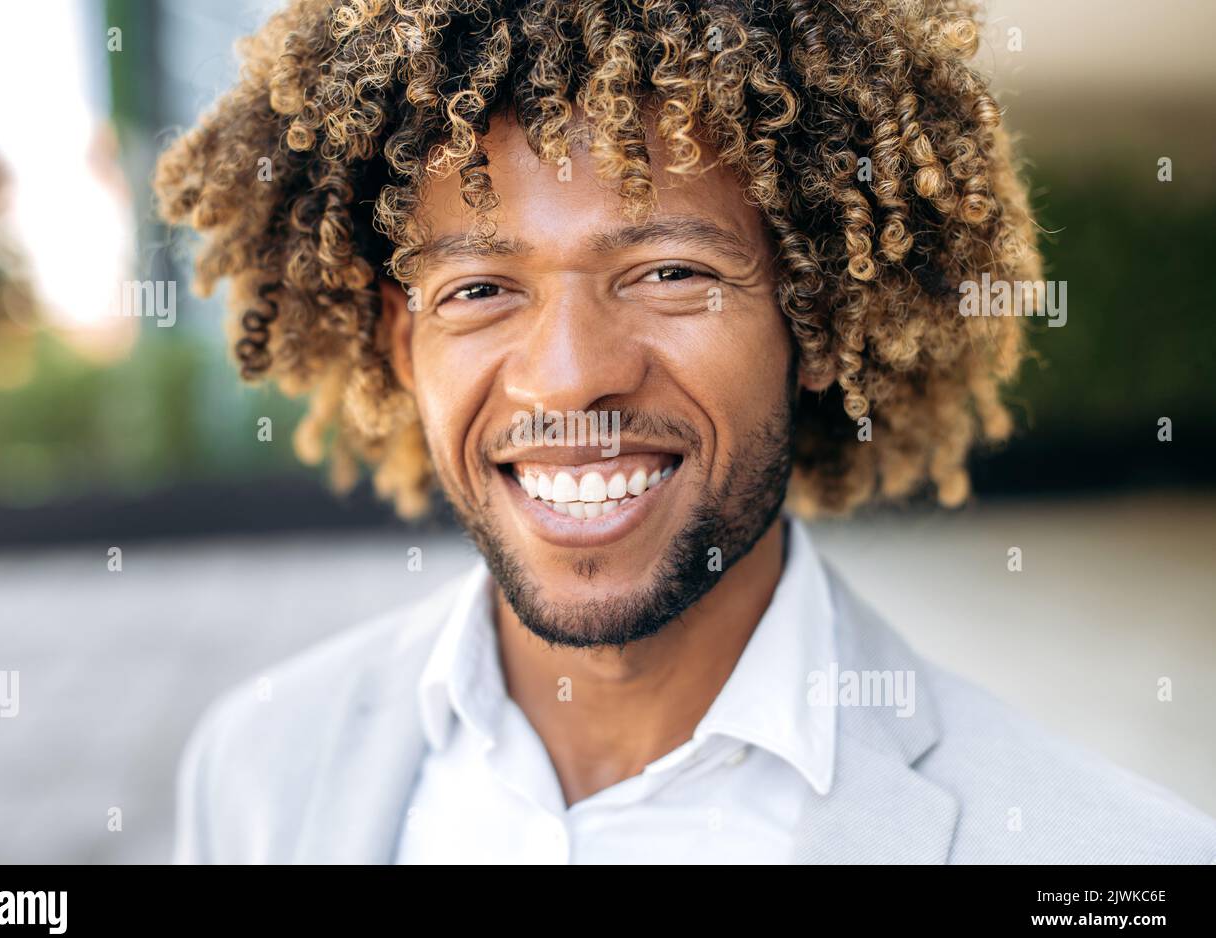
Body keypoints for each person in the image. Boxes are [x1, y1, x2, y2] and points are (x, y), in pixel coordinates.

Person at [156, 0, 1215, 863]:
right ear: (401, 345)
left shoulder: (1108, 860)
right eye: (480, 287)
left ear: (818, 325)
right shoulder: (255, 768)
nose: (569, 376)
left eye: (671, 274)